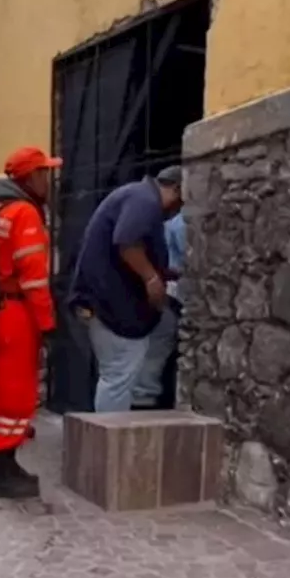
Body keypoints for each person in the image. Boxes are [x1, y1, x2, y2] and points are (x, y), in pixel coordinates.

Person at [0, 147, 60, 499]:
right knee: (14, 395)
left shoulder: (3, 209)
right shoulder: (24, 213)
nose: (49, 179)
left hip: (0, 313)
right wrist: (48, 324)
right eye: (44, 173)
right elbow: (34, 279)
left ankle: (4, 465)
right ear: (31, 178)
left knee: (2, 391)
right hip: (15, 316)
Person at [68, 166, 183, 412]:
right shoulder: (144, 200)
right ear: (176, 189)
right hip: (111, 307)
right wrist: (152, 278)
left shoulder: (137, 196)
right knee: (117, 375)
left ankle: (142, 398)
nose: (178, 211)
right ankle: (111, 440)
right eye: (181, 202)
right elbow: (127, 241)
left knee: (164, 326)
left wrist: (166, 273)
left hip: (109, 302)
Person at [132, 209, 186, 409]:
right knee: (156, 356)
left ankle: (143, 400)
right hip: (173, 297)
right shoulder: (182, 225)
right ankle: (144, 403)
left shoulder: (167, 226)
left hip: (163, 297)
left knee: (151, 356)